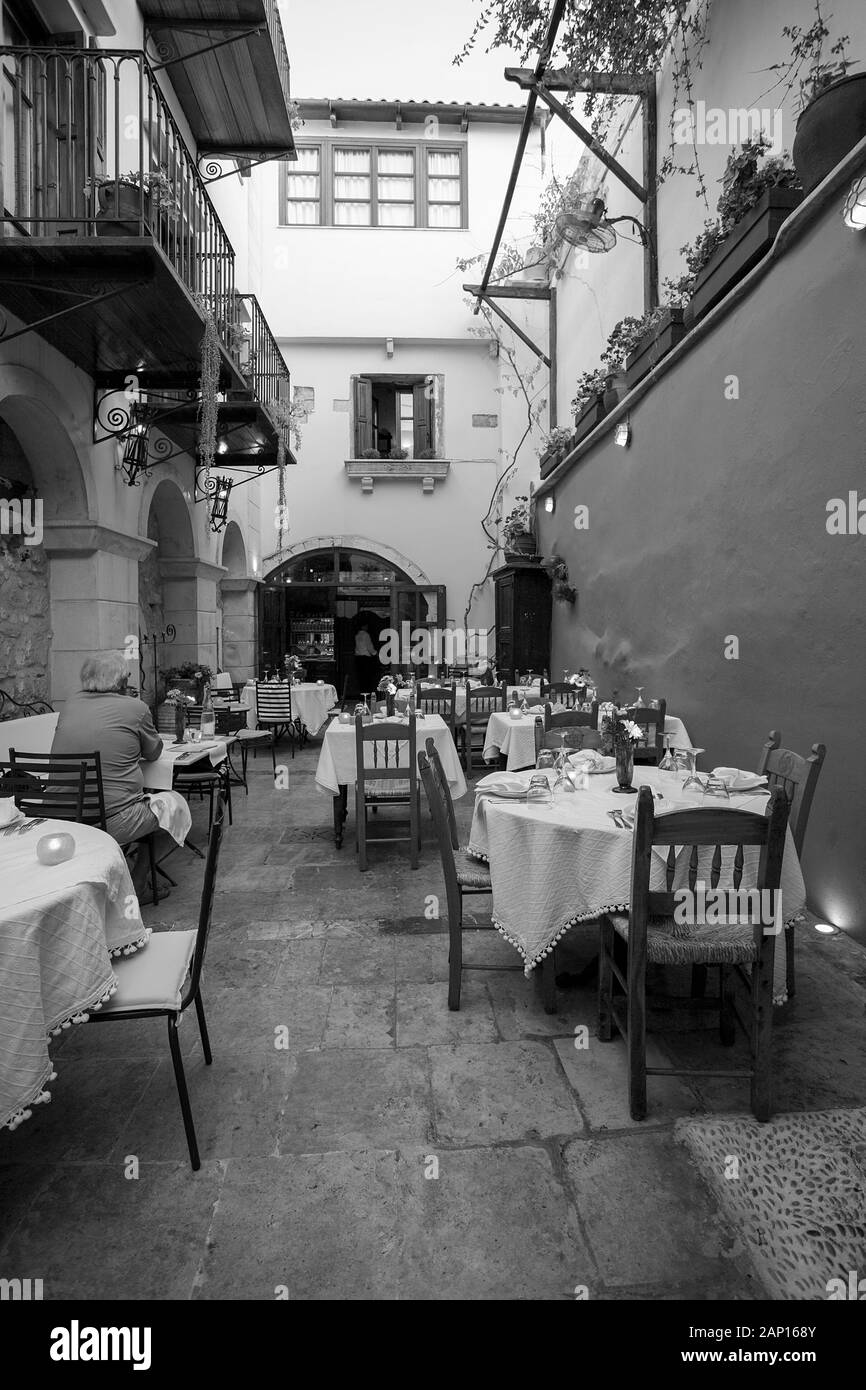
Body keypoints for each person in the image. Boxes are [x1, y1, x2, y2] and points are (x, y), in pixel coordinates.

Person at [50, 652, 178, 902]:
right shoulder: (136, 708)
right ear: (120, 682)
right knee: (175, 808)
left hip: (60, 816)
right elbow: (154, 753)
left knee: (139, 803)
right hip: (109, 819)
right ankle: (137, 884)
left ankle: (103, 875)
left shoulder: (70, 704)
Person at [354, 621, 379, 697]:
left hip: (358, 658)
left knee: (361, 677)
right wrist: (375, 653)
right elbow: (369, 646)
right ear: (364, 626)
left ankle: (362, 695)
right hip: (366, 658)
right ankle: (367, 695)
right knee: (367, 677)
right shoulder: (366, 635)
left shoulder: (357, 635)